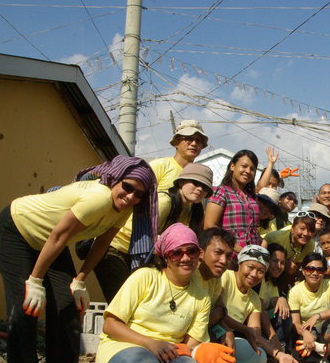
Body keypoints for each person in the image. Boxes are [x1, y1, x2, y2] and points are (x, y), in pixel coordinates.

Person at [0, 156, 158, 363]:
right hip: (17, 229)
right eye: (127, 187)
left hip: (49, 241)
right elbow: (59, 236)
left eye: (139, 194)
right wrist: (35, 281)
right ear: (115, 180)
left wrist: (80, 279)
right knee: (27, 307)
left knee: (68, 303)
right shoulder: (99, 198)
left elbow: (101, 244)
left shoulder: (123, 207)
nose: (131, 197)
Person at [96, 223, 235, 363]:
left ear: (198, 254)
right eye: (176, 253)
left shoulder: (201, 294)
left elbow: (192, 341)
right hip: (126, 348)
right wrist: (151, 343)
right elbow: (110, 325)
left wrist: (194, 351)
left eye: (191, 251)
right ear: (165, 256)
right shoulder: (145, 277)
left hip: (169, 354)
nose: (185, 258)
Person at [94, 162, 213, 301]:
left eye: (205, 188)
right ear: (181, 182)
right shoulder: (165, 201)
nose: (199, 189)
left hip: (138, 257)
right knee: (122, 302)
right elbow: (139, 233)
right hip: (116, 249)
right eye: (195, 183)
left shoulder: (189, 210)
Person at [219, 245, 299, 363]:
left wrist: (279, 355)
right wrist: (241, 329)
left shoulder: (254, 298)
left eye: (261, 271)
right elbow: (216, 311)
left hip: (232, 339)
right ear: (240, 263)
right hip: (213, 331)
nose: (254, 274)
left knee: (259, 358)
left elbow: (255, 334)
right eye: (250, 267)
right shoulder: (225, 278)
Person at [290, 253, 330, 363]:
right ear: (303, 271)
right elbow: (295, 322)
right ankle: (312, 361)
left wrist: (317, 316)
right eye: (310, 269)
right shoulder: (295, 291)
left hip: (323, 328)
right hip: (304, 332)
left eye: (320, 270)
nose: (315, 273)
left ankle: (321, 359)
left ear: (324, 272)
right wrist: (305, 333)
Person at [204, 150, 262, 256]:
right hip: (230, 255)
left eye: (252, 169)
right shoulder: (221, 191)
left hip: (252, 256)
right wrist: (236, 248)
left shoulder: (251, 197)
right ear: (232, 166)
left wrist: (262, 243)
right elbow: (209, 225)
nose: (248, 171)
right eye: (244, 166)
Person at [151, 119, 208, 190]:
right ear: (176, 142)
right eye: (189, 139)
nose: (194, 144)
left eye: (198, 141)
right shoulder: (160, 166)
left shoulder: (199, 175)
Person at [258, 243, 293, 351]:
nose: (278, 266)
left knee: (284, 311)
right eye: (275, 261)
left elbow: (275, 301)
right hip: (256, 322)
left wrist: (281, 299)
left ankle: (283, 348)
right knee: (281, 314)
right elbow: (260, 310)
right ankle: (278, 348)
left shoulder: (272, 281)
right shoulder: (261, 279)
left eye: (282, 263)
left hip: (266, 319)